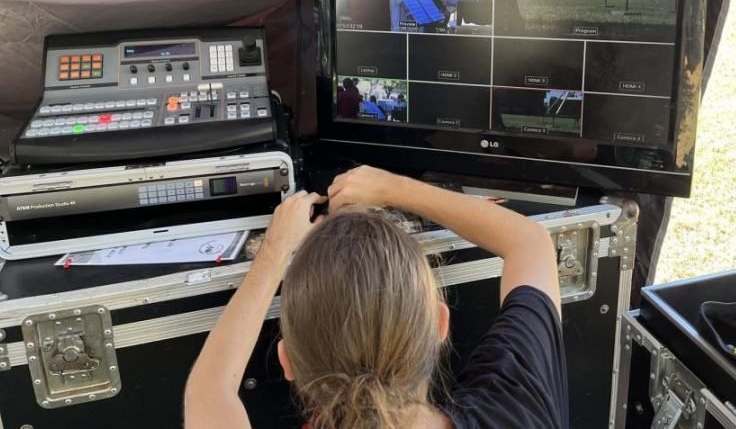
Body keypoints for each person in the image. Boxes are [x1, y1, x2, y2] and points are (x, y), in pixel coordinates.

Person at [185, 166, 568, 429]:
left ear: (288, 363)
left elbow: (209, 389)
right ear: (440, 323)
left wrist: (274, 252)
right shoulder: (518, 407)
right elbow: (529, 242)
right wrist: (392, 187)